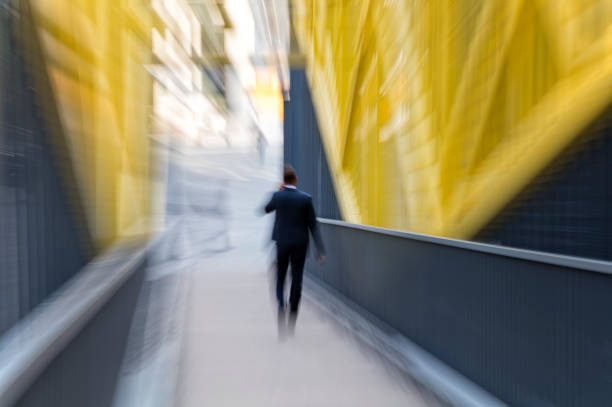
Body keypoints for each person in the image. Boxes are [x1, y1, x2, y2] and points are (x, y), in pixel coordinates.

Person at [264, 164, 325, 334]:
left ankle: (280, 303)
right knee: (297, 279)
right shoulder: (305, 199)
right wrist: (320, 250)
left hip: (282, 244)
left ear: (283, 181)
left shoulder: (278, 196)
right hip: (300, 244)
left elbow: (266, 209)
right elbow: (313, 225)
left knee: (281, 276)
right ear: (296, 180)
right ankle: (292, 316)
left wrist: (277, 192)